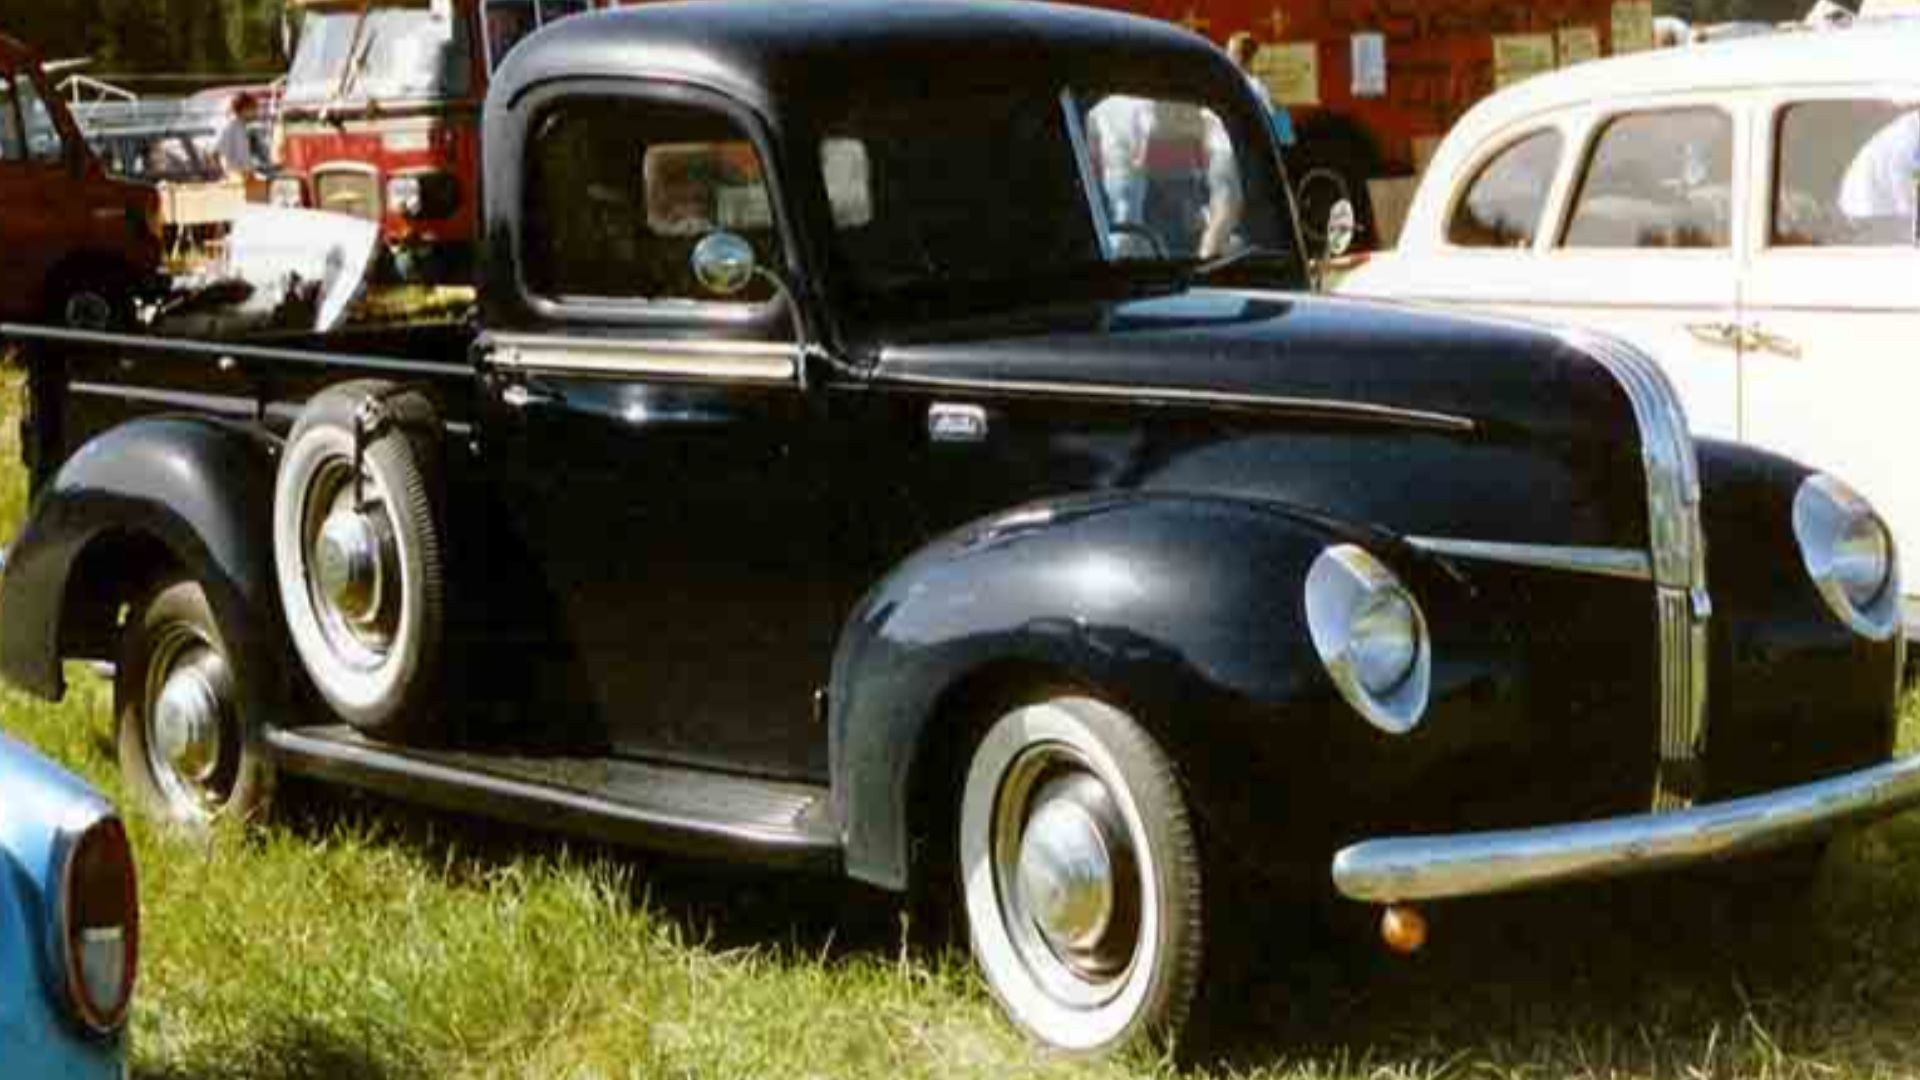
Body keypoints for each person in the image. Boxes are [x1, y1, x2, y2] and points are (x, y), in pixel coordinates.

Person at [1838, 110, 1920, 237]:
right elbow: (1900, 172)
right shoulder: (1911, 132)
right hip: (1867, 206)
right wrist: (1909, 212)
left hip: (1876, 202)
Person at [1224, 32, 1294, 148]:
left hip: (1226, 153)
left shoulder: (1226, 84)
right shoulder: (1257, 87)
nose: (1226, 56)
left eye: (1228, 53)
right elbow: (1284, 135)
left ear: (1237, 56)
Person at [213, 92, 261, 180]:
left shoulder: (241, 126)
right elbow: (218, 153)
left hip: (245, 176)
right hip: (236, 177)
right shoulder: (230, 126)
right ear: (244, 109)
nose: (256, 112)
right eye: (254, 108)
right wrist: (229, 175)